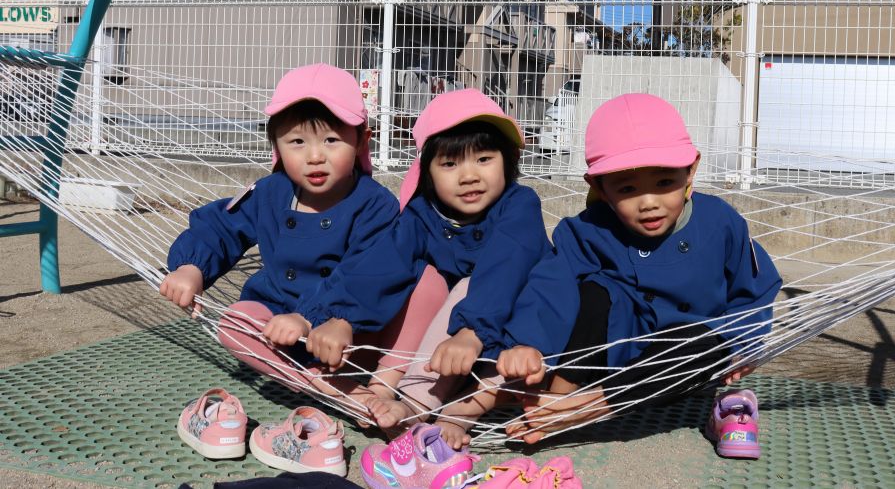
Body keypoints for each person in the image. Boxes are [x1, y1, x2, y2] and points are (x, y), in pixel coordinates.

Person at [160, 63, 448, 417]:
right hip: (281, 328)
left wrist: (319, 317)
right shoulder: (270, 192)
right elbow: (220, 225)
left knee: (428, 279)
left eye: (331, 140)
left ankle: (384, 383)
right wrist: (192, 266)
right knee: (235, 322)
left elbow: (368, 273)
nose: (315, 156)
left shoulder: (374, 204)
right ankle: (320, 385)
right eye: (297, 142)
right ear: (277, 147)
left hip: (354, 330)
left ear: (361, 140)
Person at [497, 93, 783, 444]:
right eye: (628, 189)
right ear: (599, 187)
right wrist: (527, 343)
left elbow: (752, 291)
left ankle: (580, 409)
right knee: (591, 291)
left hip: (685, 365)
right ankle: (559, 394)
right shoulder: (586, 230)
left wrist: (744, 345)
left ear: (691, 169)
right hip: (613, 355)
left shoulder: (720, 223)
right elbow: (548, 287)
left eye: (665, 183)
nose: (649, 203)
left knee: (704, 340)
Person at [303, 89, 551, 449]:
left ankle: (445, 411)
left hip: (515, 328)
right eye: (450, 164)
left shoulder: (519, 205)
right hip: (451, 343)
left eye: (483, 159)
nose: (468, 176)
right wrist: (342, 317)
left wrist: (471, 332)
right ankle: (396, 391)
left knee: (508, 361)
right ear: (428, 171)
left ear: (508, 160)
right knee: (423, 276)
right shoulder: (423, 213)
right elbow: (382, 265)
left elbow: (506, 269)